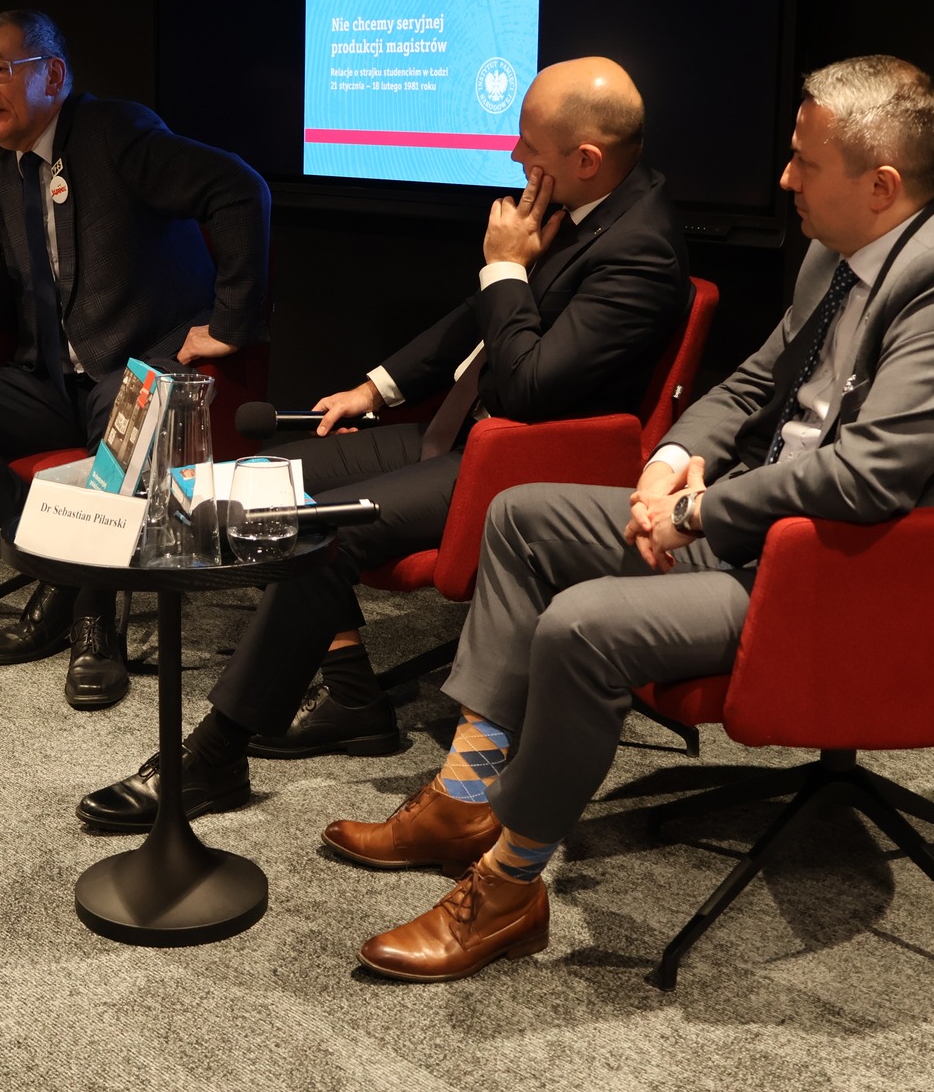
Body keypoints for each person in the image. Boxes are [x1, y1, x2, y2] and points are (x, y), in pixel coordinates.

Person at [323, 55, 934, 982]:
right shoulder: (837, 250)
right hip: (766, 529)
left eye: (805, 162)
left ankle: (508, 888)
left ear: (882, 185)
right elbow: (751, 381)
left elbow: (868, 480)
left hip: (846, 572)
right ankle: (467, 797)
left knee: (581, 626)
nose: (784, 178)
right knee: (520, 516)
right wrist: (669, 461)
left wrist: (700, 512)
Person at [77, 57, 692, 832]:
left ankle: (214, 754)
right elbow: (480, 315)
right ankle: (353, 696)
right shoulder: (577, 203)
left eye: (529, 145)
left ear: (588, 159)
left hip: (521, 466)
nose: (514, 156)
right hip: (463, 436)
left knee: (317, 527)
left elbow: (531, 384)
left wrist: (506, 266)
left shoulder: (641, 251)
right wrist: (376, 387)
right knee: (263, 479)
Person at [0, 10, 270, 711]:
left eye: (0, 70)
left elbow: (241, 189)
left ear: (53, 74)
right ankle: (58, 565)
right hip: (48, 377)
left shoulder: (116, 133)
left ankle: (96, 619)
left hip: (134, 369)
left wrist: (229, 324)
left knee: (117, 429)